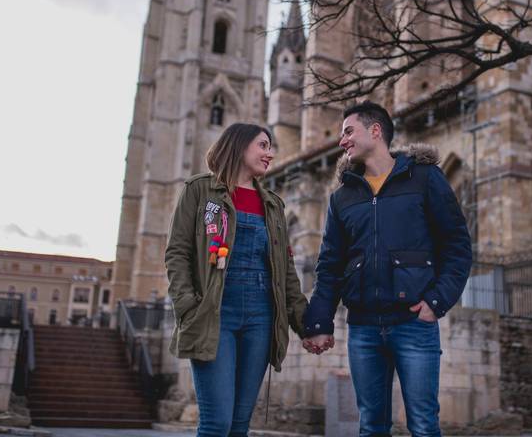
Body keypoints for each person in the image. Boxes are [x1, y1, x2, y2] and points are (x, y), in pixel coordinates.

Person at [302, 101, 473, 437]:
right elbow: (330, 265)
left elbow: (457, 246)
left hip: (413, 323)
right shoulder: (342, 198)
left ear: (375, 131)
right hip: (363, 328)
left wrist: (436, 302)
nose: (342, 141)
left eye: (348, 131)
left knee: (423, 425)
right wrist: (319, 322)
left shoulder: (425, 178)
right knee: (371, 426)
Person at [165, 123, 307, 437]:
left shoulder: (273, 204)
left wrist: (305, 323)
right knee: (217, 424)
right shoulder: (199, 190)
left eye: (271, 147)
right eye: (263, 145)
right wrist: (189, 307)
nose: (270, 154)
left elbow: (285, 272)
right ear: (239, 145)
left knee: (240, 426)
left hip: (260, 316)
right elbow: (177, 252)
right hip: (215, 313)